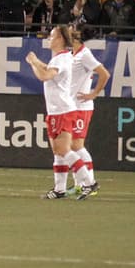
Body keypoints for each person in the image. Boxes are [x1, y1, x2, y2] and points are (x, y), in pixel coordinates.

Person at [25, 25, 95, 199]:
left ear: (60, 39)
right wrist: (37, 63)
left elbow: (44, 76)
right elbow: (48, 70)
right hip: (59, 110)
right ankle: (59, 189)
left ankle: (89, 182)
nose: (49, 39)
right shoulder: (62, 58)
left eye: (52, 36)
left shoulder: (61, 59)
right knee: (58, 151)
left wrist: (33, 62)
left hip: (62, 110)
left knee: (63, 150)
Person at [67, 33, 111, 195]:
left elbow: (104, 73)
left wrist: (93, 93)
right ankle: (79, 183)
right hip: (72, 106)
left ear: (77, 38)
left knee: (77, 145)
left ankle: (89, 183)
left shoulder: (85, 55)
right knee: (70, 146)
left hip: (81, 107)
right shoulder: (72, 54)